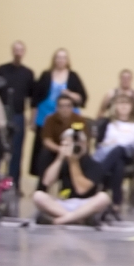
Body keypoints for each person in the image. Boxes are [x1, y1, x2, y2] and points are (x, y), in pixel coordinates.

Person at [33, 127, 110, 225]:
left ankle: (59, 220)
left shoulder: (94, 165)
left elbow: (81, 190)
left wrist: (74, 162)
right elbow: (46, 182)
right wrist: (60, 158)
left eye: (77, 144)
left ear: (85, 144)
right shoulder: (63, 163)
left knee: (103, 197)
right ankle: (77, 219)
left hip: (86, 205)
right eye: (69, 144)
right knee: (38, 195)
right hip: (64, 204)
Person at [30, 48, 87, 177]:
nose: (61, 60)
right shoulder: (46, 75)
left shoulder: (73, 76)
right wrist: (33, 120)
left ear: (67, 60)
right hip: (44, 117)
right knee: (42, 150)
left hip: (66, 121)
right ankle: (42, 179)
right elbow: (35, 99)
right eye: (58, 57)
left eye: (63, 57)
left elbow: (82, 97)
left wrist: (69, 94)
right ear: (54, 59)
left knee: (68, 148)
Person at [0, 41, 35, 191]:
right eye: (16, 49)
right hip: (1, 116)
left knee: (16, 151)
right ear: (12, 51)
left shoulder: (28, 73)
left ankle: (13, 184)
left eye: (21, 50)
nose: (18, 52)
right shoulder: (2, 69)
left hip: (18, 115)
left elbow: (32, 99)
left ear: (24, 52)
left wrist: (32, 119)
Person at [94, 94, 134, 214]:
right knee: (118, 165)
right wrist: (108, 144)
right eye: (120, 103)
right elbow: (99, 143)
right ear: (115, 106)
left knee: (119, 149)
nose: (124, 106)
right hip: (108, 152)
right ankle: (117, 201)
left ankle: (96, 177)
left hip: (127, 152)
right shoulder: (107, 123)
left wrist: (118, 144)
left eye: (127, 103)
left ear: (132, 107)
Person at [37, 94, 90, 189]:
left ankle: (71, 191)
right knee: (44, 154)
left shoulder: (80, 120)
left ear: (72, 107)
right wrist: (60, 149)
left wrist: (73, 151)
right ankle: (42, 188)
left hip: (74, 151)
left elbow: (84, 141)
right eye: (61, 106)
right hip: (56, 150)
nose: (65, 109)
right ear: (57, 108)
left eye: (68, 106)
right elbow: (47, 140)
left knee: (84, 158)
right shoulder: (50, 119)